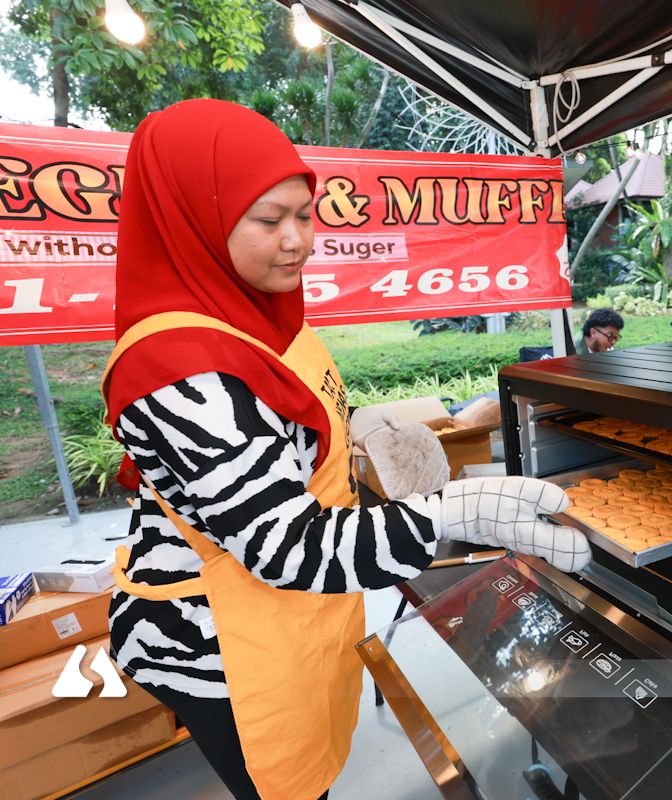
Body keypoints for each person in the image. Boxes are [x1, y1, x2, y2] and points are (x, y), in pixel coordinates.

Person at [100, 100, 590, 800]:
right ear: (192, 219)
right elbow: (285, 546)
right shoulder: (178, 369)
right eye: (268, 221)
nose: (297, 239)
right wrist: (448, 514)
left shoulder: (256, 311)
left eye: (305, 213)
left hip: (296, 615)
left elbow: (293, 437)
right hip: (225, 645)